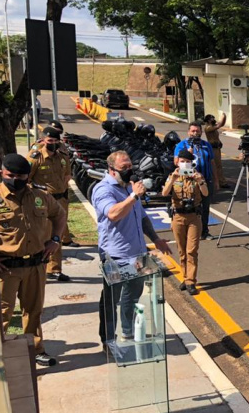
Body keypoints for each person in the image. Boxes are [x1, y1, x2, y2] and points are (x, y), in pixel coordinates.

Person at [92, 151, 172, 348]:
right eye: (124, 168)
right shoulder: (103, 190)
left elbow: (143, 217)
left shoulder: (129, 187)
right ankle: (108, 341)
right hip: (115, 256)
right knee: (112, 300)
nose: (129, 171)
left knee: (133, 296)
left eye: (130, 167)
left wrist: (155, 239)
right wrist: (134, 196)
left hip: (138, 253)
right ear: (111, 170)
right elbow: (113, 214)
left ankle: (128, 333)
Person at [0, 154, 67, 366]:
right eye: (11, 175)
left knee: (34, 311)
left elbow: (59, 214)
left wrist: (55, 239)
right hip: (5, 268)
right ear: (2, 172)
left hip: (36, 265)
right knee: (2, 314)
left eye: (21, 175)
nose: (16, 179)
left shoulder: (39, 195)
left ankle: (36, 350)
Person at [26, 126, 73, 282]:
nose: (52, 143)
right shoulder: (35, 157)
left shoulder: (63, 156)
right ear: (43, 140)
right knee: (42, 235)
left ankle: (55, 269)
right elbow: (26, 179)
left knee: (56, 236)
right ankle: (38, 268)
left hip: (61, 200)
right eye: (49, 141)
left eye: (55, 141)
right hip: (43, 202)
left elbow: (67, 174)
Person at [162, 150, 208, 295]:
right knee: (182, 251)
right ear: (178, 162)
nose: (185, 164)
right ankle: (185, 277)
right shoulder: (173, 176)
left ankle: (191, 281)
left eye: (187, 161)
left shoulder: (197, 176)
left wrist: (200, 181)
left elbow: (206, 193)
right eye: (182, 161)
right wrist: (173, 179)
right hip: (178, 216)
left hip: (194, 217)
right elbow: (164, 193)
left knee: (191, 250)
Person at [174, 122, 216, 239]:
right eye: (193, 131)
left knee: (205, 207)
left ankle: (204, 231)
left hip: (205, 179)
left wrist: (216, 180)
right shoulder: (182, 145)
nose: (195, 133)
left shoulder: (206, 145)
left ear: (201, 132)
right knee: (190, 207)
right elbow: (176, 162)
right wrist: (189, 153)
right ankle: (190, 231)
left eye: (197, 131)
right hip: (189, 181)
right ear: (188, 132)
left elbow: (212, 163)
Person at [203, 112, 230, 190]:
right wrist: (223, 116)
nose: (213, 119)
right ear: (208, 120)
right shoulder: (208, 128)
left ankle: (220, 181)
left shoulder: (212, 127)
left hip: (217, 148)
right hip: (213, 148)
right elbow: (220, 125)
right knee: (217, 165)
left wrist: (224, 118)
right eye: (212, 118)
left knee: (219, 165)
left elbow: (222, 124)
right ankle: (221, 182)